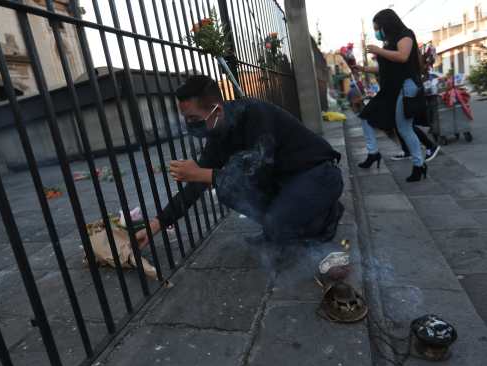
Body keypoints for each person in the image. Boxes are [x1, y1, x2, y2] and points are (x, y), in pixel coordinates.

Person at [134, 75, 344, 248]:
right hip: (284, 182)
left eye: (194, 119)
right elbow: (196, 186)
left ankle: (325, 218)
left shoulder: (255, 114)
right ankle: (278, 225)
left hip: (318, 175)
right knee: (228, 190)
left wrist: (202, 174)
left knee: (279, 221)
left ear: (217, 110)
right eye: (186, 120)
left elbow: (257, 171)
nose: (190, 126)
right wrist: (157, 224)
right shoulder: (218, 132)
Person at [353, 9, 427, 182]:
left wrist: (379, 51)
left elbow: (402, 57)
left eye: (378, 28)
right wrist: (364, 69)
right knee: (366, 116)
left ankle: (419, 165)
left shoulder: (405, 35)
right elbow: (386, 67)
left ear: (387, 24)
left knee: (404, 129)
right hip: (390, 90)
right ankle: (373, 153)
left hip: (405, 88)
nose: (377, 32)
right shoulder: (389, 43)